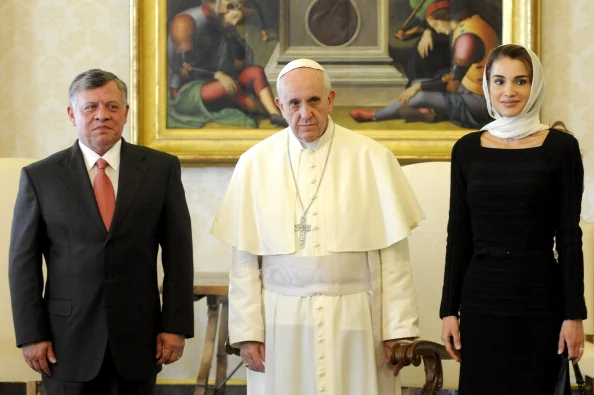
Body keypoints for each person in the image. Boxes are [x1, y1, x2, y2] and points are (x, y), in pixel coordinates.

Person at [211, 58, 424, 395]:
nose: (305, 113)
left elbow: (394, 257)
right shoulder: (255, 163)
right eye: (294, 103)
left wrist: (398, 331)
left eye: (313, 101)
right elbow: (244, 261)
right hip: (281, 319)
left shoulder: (372, 158)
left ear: (331, 100)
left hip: (356, 317)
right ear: (280, 105)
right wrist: (247, 333)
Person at [8, 69, 194, 395]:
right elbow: (22, 263)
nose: (101, 115)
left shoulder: (160, 170)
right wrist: (31, 334)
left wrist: (175, 326)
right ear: (72, 114)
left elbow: (179, 253)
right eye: (90, 107)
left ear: (125, 113)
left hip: (140, 338)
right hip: (64, 342)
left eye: (111, 106)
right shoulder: (41, 176)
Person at [439, 44, 587, 394]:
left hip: (539, 297)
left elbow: (569, 237)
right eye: (499, 81)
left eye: (520, 81)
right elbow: (458, 235)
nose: (509, 91)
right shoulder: (466, 149)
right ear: (486, 86)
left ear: (534, 87)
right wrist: (448, 311)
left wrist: (574, 314)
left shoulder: (561, 148)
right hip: (481, 297)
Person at [351, 0, 499, 129]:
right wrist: (418, 85)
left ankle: (375, 115)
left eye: (435, 24)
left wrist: (419, 88)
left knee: (419, 95)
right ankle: (431, 112)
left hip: (480, 101)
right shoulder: (470, 23)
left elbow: (452, 84)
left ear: (445, 17)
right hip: (471, 89)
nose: (436, 29)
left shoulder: (467, 39)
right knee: (416, 83)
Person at [167, 0, 287, 129]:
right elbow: (185, 68)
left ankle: (274, 114)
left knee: (255, 71)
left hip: (218, 80)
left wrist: (230, 33)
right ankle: (267, 113)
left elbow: (239, 65)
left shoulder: (222, 23)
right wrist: (217, 75)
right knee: (231, 87)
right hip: (187, 90)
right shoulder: (185, 21)